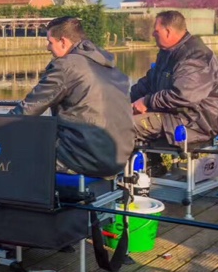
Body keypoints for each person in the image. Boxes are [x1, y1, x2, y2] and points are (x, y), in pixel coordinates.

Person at [9, 16, 135, 177]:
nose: (48, 48)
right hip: (118, 158)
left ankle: (18, 201)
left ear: (63, 41)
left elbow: (28, 110)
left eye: (50, 42)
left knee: (13, 152)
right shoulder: (111, 68)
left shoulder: (67, 65)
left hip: (84, 158)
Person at [130, 10, 218, 155]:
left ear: (168, 31)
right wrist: (124, 100)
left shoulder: (195, 55)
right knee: (119, 116)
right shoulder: (167, 53)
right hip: (177, 114)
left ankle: (112, 171)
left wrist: (147, 102)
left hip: (198, 122)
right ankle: (149, 167)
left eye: (156, 30)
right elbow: (148, 83)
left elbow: (183, 96)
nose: (153, 34)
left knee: (126, 125)